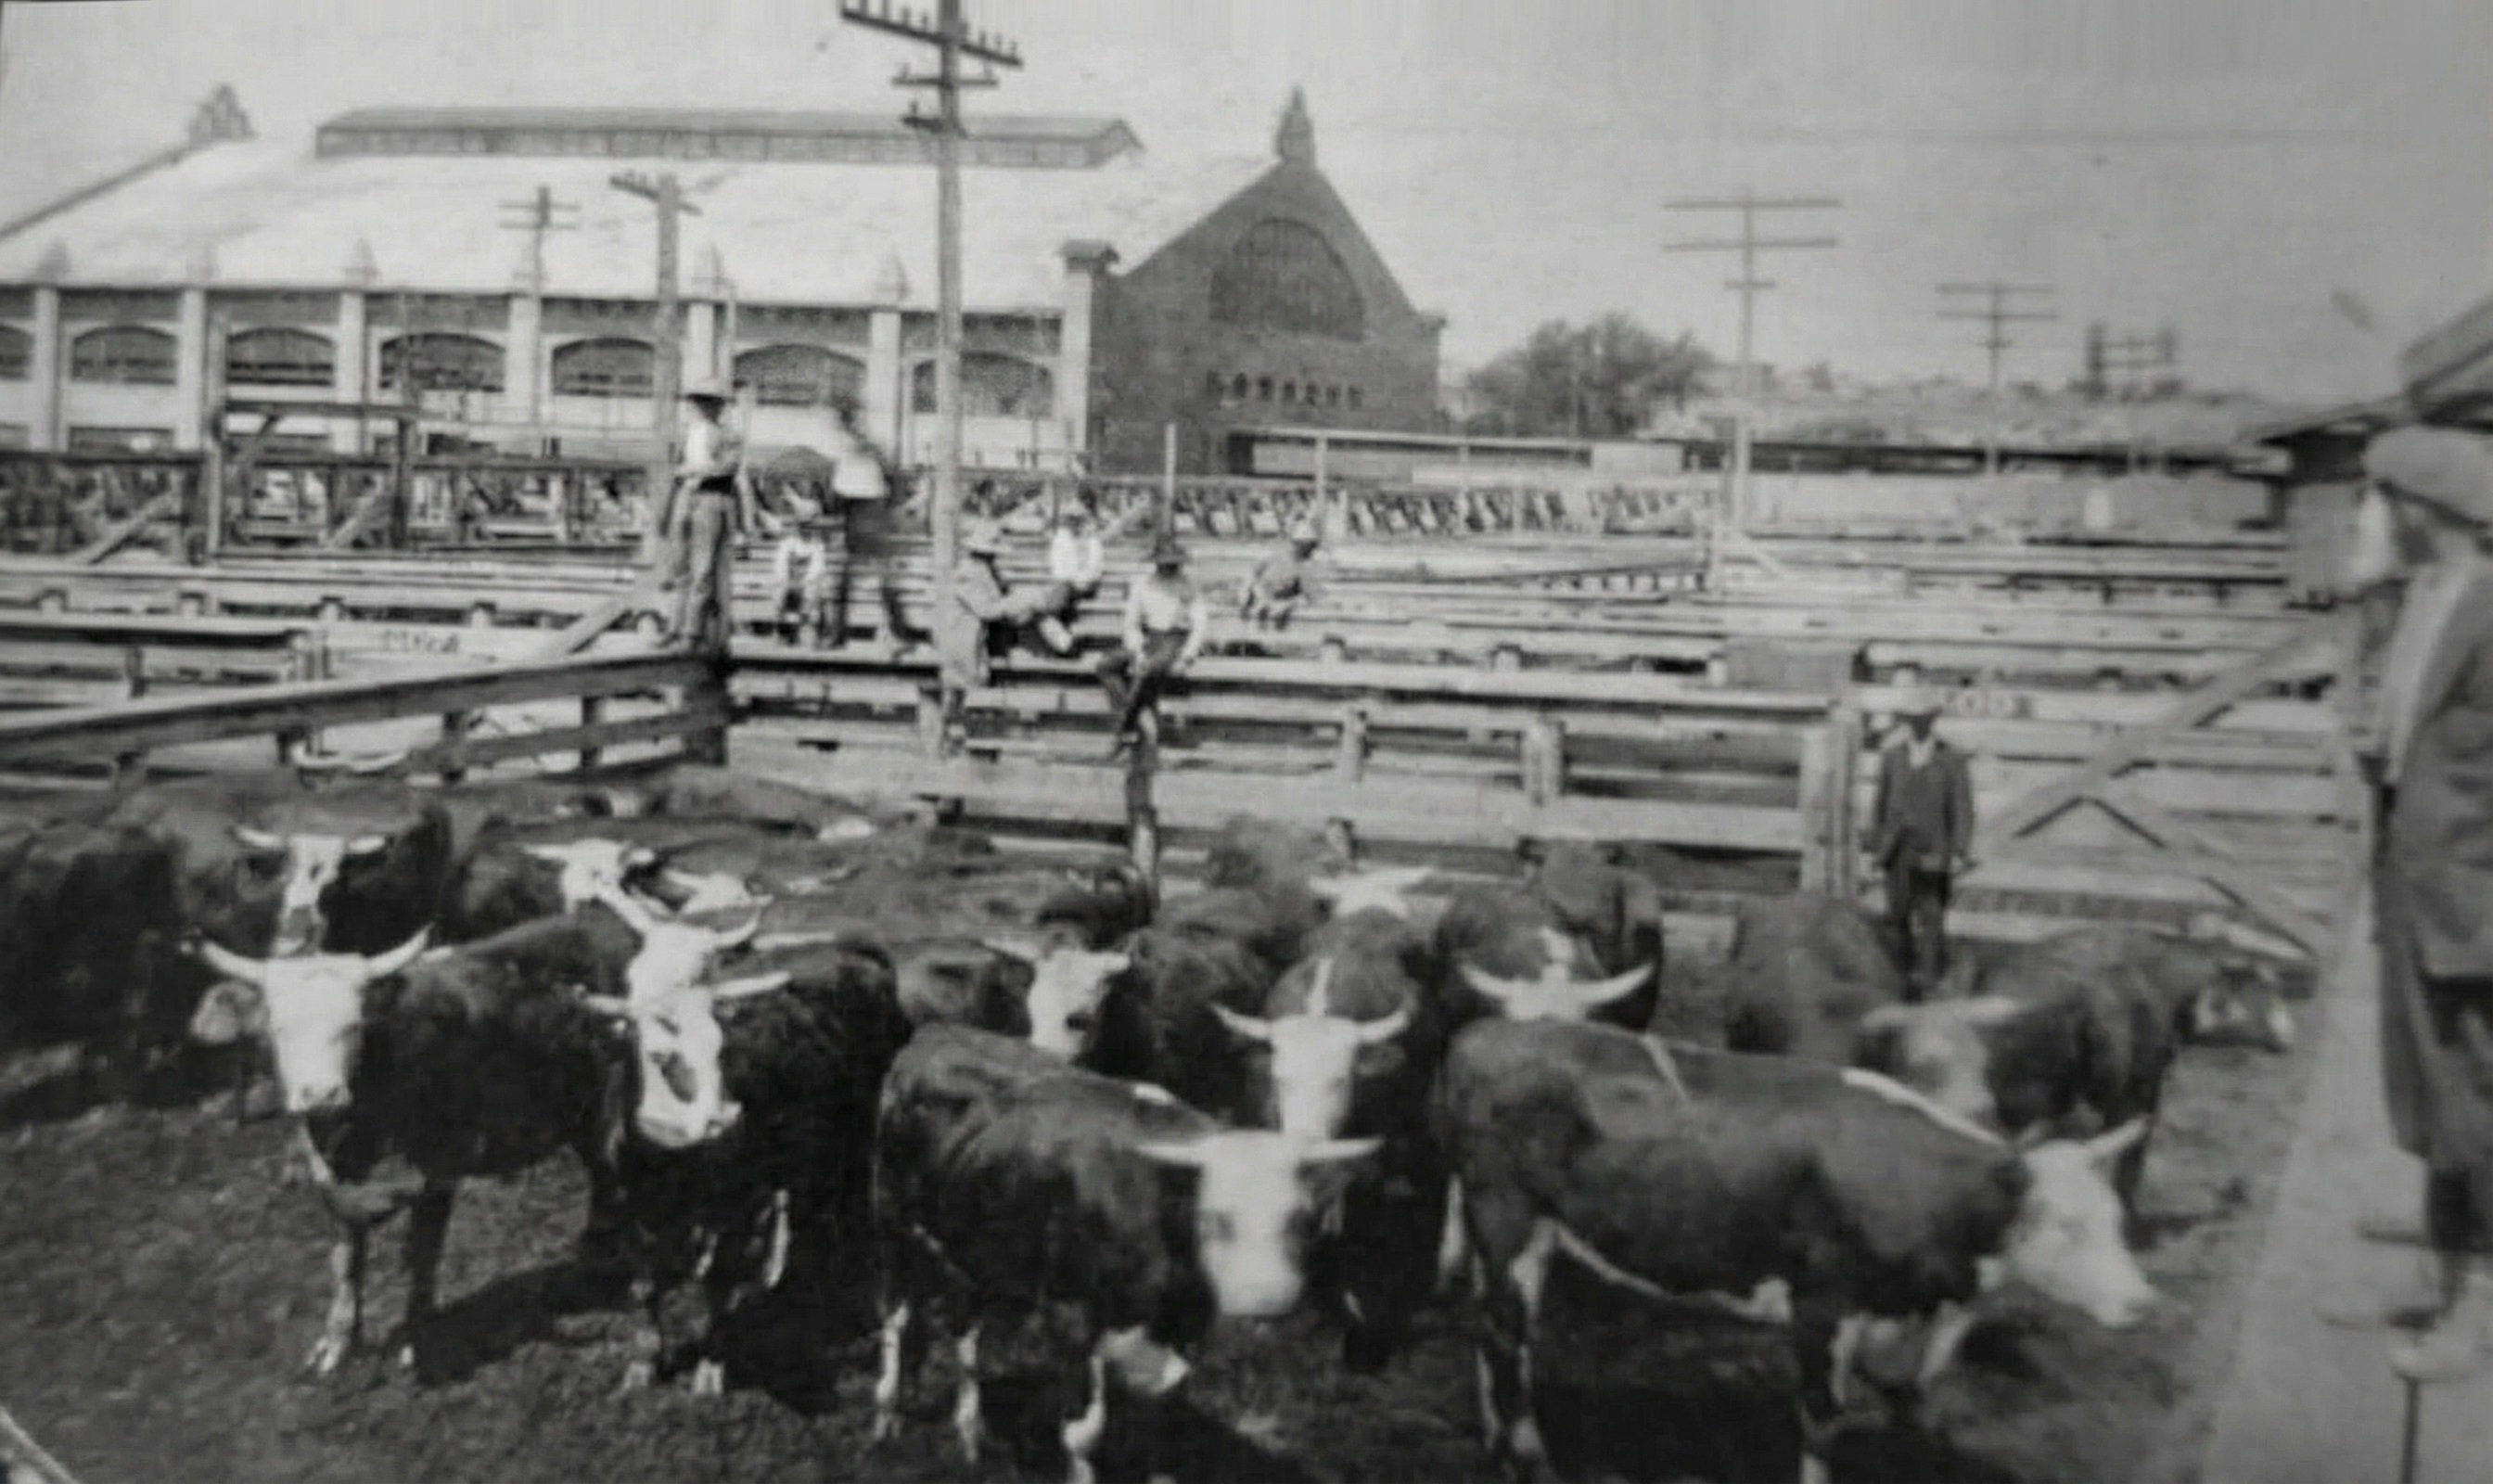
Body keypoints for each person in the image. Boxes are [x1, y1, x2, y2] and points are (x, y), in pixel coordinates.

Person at [2342, 425, 2493, 1381]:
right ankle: (2442, 1279)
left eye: (2379, 498)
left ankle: (2477, 1311)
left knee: (2481, 1109)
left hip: (2475, 907)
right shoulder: (2420, 602)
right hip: (2415, 894)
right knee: (2438, 1100)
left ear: (2421, 510)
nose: (2367, 516)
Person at [1867, 682, 1975, 995]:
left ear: (1932, 720)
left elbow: (1962, 807)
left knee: (1931, 917)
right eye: (1911, 719)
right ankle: (1900, 982)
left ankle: (1929, 982)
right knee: (1898, 916)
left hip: (1933, 850)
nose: (1917, 724)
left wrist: (1959, 851)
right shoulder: (1892, 757)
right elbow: (1880, 806)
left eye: (1923, 718)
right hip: (1898, 850)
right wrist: (1877, 851)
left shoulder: (1951, 759)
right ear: (1904, 721)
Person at [1101, 531, 1208, 754]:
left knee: (1146, 671)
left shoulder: (1188, 585)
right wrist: (1138, 650)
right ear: (1156, 563)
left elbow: (1200, 623)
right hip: (1150, 638)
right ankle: (1132, 719)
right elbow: (1131, 623)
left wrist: (1188, 655)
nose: (1169, 568)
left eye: (1173, 564)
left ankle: (1124, 731)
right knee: (1106, 665)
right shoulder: (1143, 584)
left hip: (1174, 639)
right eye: (1164, 563)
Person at [661, 377, 748, 653]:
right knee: (679, 566)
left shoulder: (728, 435)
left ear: (719, 406)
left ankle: (692, 632)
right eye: (697, 401)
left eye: (707, 401)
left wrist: (692, 471)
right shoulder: (686, 434)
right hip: (685, 498)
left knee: (704, 569)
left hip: (711, 499)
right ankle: (673, 628)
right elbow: (674, 471)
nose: (700, 406)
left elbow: (728, 467)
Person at [825, 397, 911, 655]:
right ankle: (838, 633)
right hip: (856, 510)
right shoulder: (847, 448)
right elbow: (837, 492)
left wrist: (892, 507)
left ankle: (898, 631)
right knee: (846, 579)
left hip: (871, 509)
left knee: (880, 577)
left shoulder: (868, 446)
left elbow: (892, 476)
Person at [1036, 497, 1105, 656]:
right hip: (1066, 585)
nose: (1075, 522)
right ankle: (1066, 644)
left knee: (1046, 608)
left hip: (1086, 586)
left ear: (1084, 520)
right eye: (1071, 519)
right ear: (1066, 521)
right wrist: (1073, 579)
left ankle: (1064, 643)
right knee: (1047, 608)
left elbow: (1095, 569)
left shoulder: (1093, 540)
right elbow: (1057, 569)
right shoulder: (1060, 540)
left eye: (1078, 519)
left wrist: (1078, 579)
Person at [1241, 516, 1323, 630]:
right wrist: (1248, 595)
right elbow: (1252, 575)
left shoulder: (1305, 567)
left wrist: (1289, 604)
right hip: (1262, 596)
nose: (1311, 551)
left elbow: (1312, 596)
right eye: (1307, 546)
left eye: (1312, 546)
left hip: (1282, 602)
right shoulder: (1273, 556)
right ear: (1297, 544)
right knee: (1256, 597)